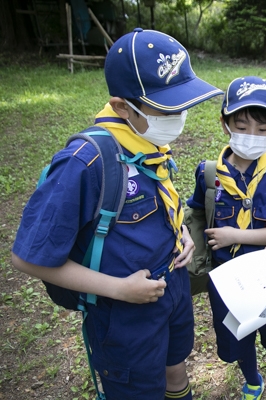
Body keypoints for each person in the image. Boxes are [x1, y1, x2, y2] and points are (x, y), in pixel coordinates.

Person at [11, 28, 224, 399]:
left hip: (171, 288)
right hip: (124, 312)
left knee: (176, 369)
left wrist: (181, 233)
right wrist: (120, 289)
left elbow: (154, 204)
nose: (179, 115)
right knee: (139, 389)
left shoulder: (148, 142)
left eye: (182, 104)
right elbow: (28, 258)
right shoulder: (86, 163)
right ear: (123, 106)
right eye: (166, 107)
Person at [186, 76, 266, 400]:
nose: (251, 136)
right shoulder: (208, 173)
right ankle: (252, 379)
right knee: (237, 337)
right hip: (226, 282)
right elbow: (197, 212)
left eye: (262, 128)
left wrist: (235, 235)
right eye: (241, 125)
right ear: (225, 124)